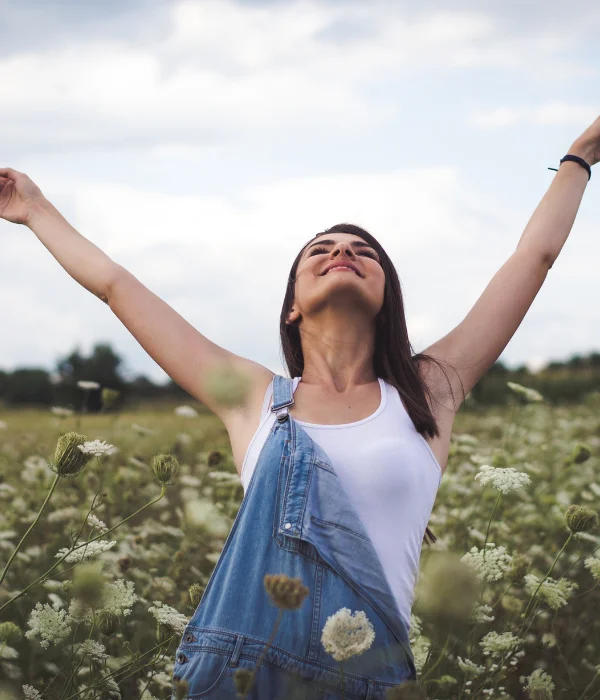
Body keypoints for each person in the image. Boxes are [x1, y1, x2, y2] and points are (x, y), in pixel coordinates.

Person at [0, 127, 596, 698]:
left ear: (387, 296)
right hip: (238, 676)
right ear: (291, 308)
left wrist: (582, 153)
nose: (343, 252)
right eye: (324, 249)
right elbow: (116, 286)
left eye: (364, 252)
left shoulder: (429, 390)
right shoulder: (251, 397)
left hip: (368, 679)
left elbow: (533, 258)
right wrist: (34, 208)